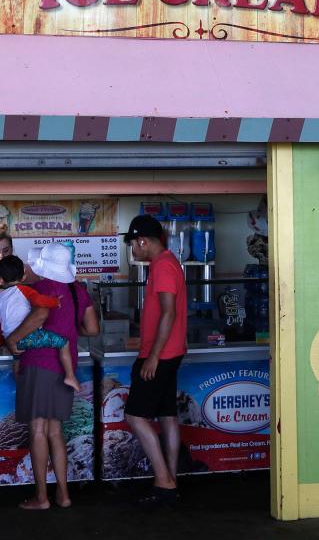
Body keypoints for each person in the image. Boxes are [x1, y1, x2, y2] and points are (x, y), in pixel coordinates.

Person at [4, 243, 100, 511]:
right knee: (56, 431)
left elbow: (41, 314)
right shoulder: (78, 290)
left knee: (37, 430)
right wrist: (71, 328)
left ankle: (42, 498)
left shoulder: (43, 288)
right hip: (64, 366)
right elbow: (92, 328)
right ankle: (64, 494)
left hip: (39, 363)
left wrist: (14, 339)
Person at [122, 215, 188, 504]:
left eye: (133, 244)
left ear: (142, 241)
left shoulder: (162, 267)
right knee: (167, 416)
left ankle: (163, 480)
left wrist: (153, 357)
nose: (133, 250)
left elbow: (168, 313)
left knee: (135, 416)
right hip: (171, 353)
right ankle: (170, 480)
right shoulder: (167, 263)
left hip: (160, 356)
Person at [0, 255, 80, 392]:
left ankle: (20, 387)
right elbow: (39, 301)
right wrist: (55, 302)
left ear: (1, 279)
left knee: (17, 360)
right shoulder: (24, 289)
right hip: (29, 337)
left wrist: (3, 343)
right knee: (64, 343)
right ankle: (70, 376)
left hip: (11, 339)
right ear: (23, 277)